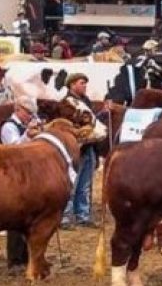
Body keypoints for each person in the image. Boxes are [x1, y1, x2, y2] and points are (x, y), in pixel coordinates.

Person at [0, 96, 41, 268]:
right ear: (18, 109)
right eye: (28, 113)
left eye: (32, 113)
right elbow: (14, 148)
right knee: (14, 216)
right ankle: (15, 258)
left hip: (26, 174)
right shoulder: (9, 126)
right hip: (12, 173)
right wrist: (27, 135)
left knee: (27, 215)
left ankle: (24, 255)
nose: (30, 116)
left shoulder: (26, 124)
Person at [62, 73, 97, 228]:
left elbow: (94, 121)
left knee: (85, 183)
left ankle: (82, 214)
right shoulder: (66, 104)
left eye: (85, 83)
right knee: (73, 182)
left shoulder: (86, 101)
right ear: (72, 85)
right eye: (82, 83)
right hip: (75, 148)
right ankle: (66, 216)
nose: (85, 86)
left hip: (89, 146)